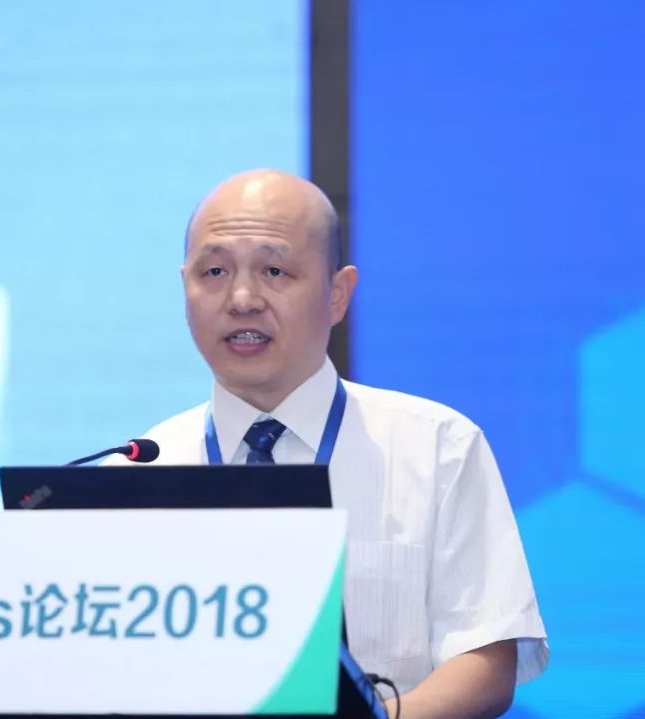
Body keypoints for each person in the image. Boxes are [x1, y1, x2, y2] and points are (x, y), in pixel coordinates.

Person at [118, 169, 548, 718]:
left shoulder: (437, 447)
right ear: (186, 288)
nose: (242, 298)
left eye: (274, 270)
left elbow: (485, 660)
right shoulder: (138, 472)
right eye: (215, 271)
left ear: (338, 294)